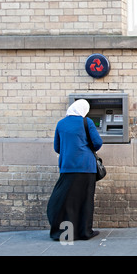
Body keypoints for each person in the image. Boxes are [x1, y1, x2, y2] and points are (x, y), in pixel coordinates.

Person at [47, 99, 103, 241]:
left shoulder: (61, 123)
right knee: (85, 200)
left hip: (67, 167)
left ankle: (65, 232)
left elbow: (57, 148)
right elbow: (97, 143)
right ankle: (85, 232)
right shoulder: (87, 122)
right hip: (86, 167)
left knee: (66, 200)